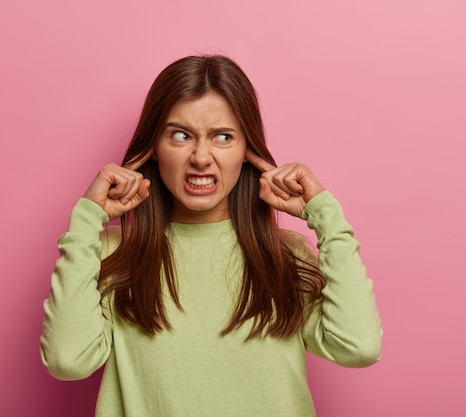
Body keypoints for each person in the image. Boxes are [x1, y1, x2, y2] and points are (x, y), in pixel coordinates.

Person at [40, 54, 382, 417]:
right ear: (154, 148)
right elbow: (67, 361)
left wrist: (326, 217)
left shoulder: (286, 255)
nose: (201, 157)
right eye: (181, 135)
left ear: (246, 152)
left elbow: (357, 347)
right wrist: (85, 223)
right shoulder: (111, 253)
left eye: (223, 136)